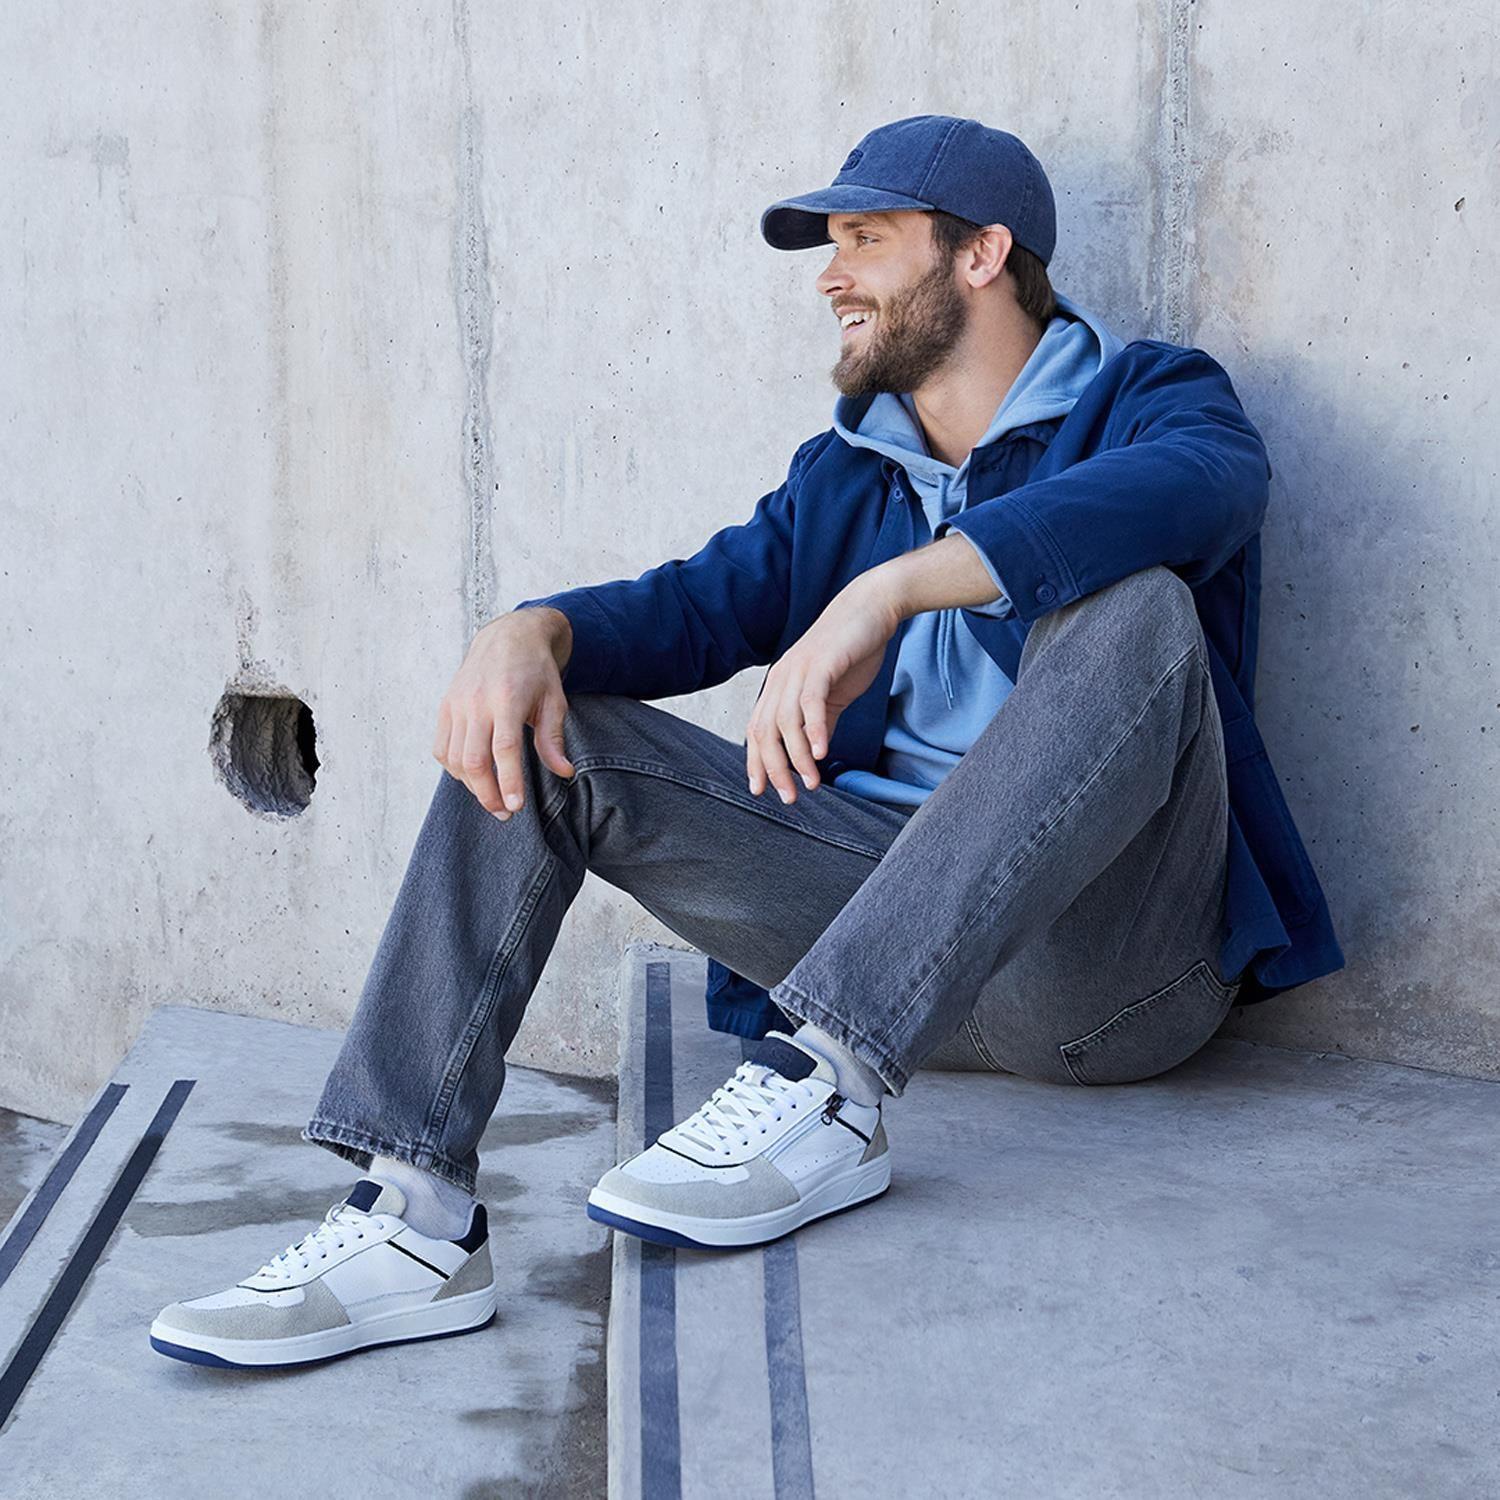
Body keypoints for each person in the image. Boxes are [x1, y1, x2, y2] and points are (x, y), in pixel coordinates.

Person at [150, 114, 1344, 1368]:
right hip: (868, 925)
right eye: (831, 248)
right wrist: (531, 630)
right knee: (553, 727)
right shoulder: (845, 475)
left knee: (1139, 606)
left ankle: (826, 1089)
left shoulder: (1151, 399)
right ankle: (411, 1220)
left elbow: (1206, 485)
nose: (831, 277)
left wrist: (895, 590)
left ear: (982, 254)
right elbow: (696, 606)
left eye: (865, 241)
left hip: (1099, 971)